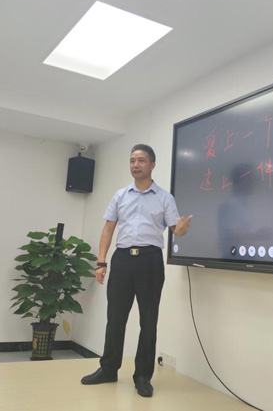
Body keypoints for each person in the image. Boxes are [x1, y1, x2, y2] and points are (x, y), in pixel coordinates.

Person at [81, 144, 192, 397]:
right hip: (122, 259)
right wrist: (101, 262)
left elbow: (176, 230)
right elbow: (108, 229)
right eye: (132, 160)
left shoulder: (165, 198)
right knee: (115, 318)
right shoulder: (120, 195)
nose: (135, 165)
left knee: (148, 320)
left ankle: (142, 376)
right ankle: (108, 369)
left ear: (152, 165)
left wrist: (182, 229)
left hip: (150, 260)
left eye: (141, 160)